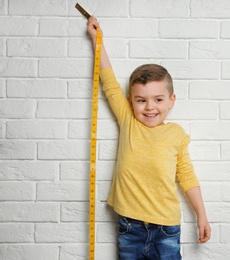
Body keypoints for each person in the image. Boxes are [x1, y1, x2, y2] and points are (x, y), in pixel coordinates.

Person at [86, 16, 211, 259]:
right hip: (130, 227)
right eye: (141, 100)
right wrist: (97, 39)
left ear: (171, 101)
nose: (149, 107)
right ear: (131, 101)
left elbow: (187, 176)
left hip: (166, 229)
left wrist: (202, 216)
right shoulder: (129, 121)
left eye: (158, 99)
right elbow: (110, 84)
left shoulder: (176, 135)